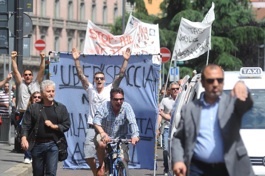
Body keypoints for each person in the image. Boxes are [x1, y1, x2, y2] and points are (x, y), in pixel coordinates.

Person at [171, 64, 254, 176]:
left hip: (227, 168)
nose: (215, 84)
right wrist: (178, 160)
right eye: (210, 81)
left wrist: (243, 87)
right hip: (197, 169)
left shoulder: (232, 104)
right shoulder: (190, 109)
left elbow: (246, 104)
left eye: (219, 80)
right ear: (203, 83)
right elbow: (178, 138)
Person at [72, 47, 131, 176]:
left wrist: (125, 60)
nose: (99, 80)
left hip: (106, 127)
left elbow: (121, 75)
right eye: (97, 78)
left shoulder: (110, 89)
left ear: (105, 80)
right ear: (94, 80)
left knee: (105, 149)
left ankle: (104, 165)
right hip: (92, 127)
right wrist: (76, 60)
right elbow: (81, 75)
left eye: (101, 78)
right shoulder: (90, 89)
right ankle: (98, 171)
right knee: (87, 155)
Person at [21, 80, 70, 176]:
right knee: (38, 173)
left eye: (53, 91)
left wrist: (54, 126)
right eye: (48, 91)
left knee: (51, 173)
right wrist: (23, 138)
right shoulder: (33, 108)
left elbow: (66, 125)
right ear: (42, 93)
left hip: (53, 144)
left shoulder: (61, 108)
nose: (51, 93)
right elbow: (25, 125)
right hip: (37, 145)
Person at [93, 87, 140, 175]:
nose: (119, 102)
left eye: (121, 99)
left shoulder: (127, 107)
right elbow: (96, 121)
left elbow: (132, 122)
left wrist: (135, 135)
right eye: (116, 99)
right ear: (111, 99)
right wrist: (103, 133)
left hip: (120, 139)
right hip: (104, 135)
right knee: (101, 144)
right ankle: (102, 164)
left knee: (124, 160)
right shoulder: (104, 106)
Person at [157, 82, 180, 175]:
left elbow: (170, 117)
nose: (175, 90)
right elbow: (159, 114)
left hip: (179, 129)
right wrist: (157, 127)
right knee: (166, 150)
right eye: (173, 89)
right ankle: (166, 168)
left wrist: (162, 114)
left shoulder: (183, 99)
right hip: (167, 128)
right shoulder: (165, 101)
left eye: (177, 88)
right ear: (169, 90)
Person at [22, 91, 42, 164]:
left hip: (38, 131)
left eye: (39, 97)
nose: (37, 99)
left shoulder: (43, 108)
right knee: (28, 140)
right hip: (29, 130)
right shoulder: (29, 108)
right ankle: (27, 156)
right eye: (35, 97)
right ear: (32, 98)